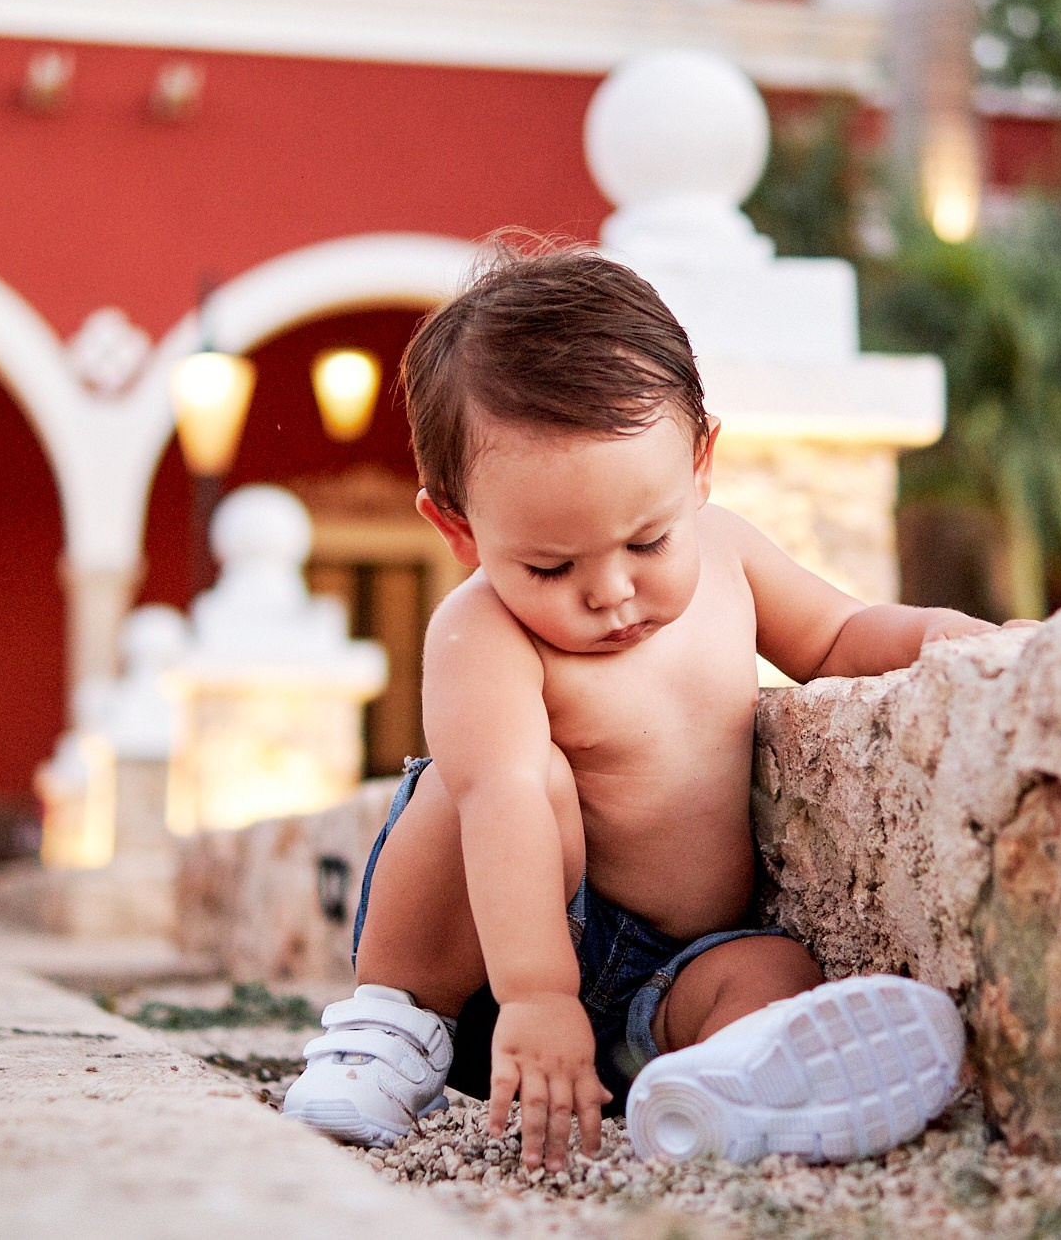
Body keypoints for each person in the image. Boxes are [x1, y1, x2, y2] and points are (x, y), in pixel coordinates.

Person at [283, 245, 1011, 1171]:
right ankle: (391, 1028)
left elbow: (838, 638)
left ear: (702, 462)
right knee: (510, 778)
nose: (612, 590)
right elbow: (499, 796)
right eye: (551, 566)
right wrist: (540, 997)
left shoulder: (730, 555)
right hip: (494, 966)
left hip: (666, 971)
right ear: (459, 531)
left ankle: (719, 1086)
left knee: (771, 972)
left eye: (647, 540)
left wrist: (953, 639)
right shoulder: (482, 633)